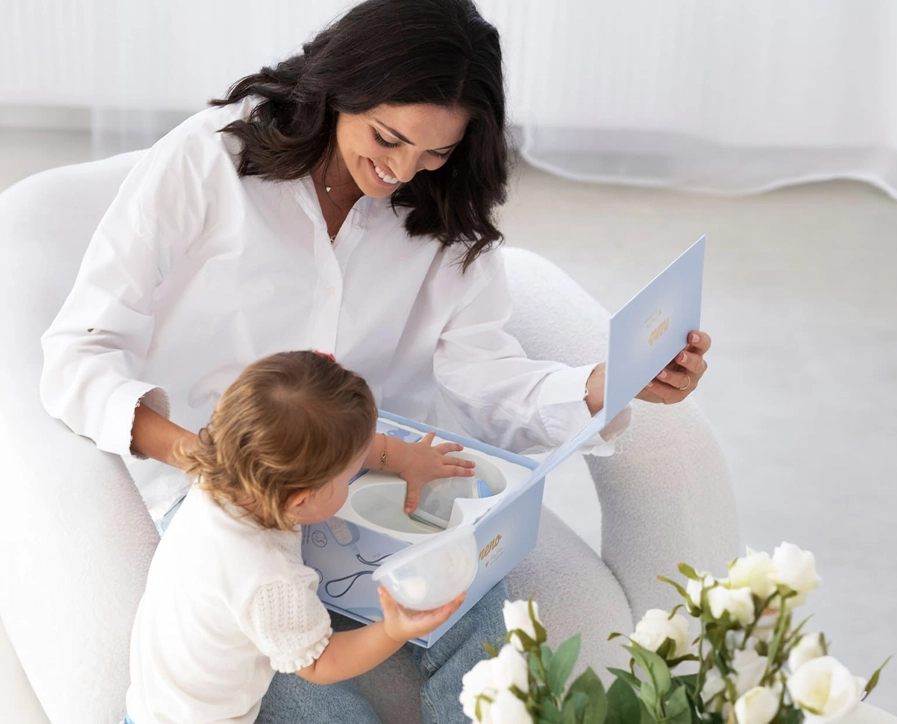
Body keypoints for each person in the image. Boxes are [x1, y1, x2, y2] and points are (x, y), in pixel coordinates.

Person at [40, 0, 711, 720]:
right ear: (339, 88)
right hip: (226, 489)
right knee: (294, 690)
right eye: (388, 138)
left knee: (492, 663)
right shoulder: (210, 161)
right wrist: (210, 461)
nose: (401, 170)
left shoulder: (443, 214)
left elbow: (484, 378)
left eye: (435, 153)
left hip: (375, 465)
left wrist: (605, 386)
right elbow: (80, 353)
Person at [123, 350, 469, 724]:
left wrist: (401, 455)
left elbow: (337, 439)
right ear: (302, 500)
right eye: (346, 478)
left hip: (150, 703)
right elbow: (321, 662)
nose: (354, 474)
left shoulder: (220, 466)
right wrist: (392, 631)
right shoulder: (268, 575)